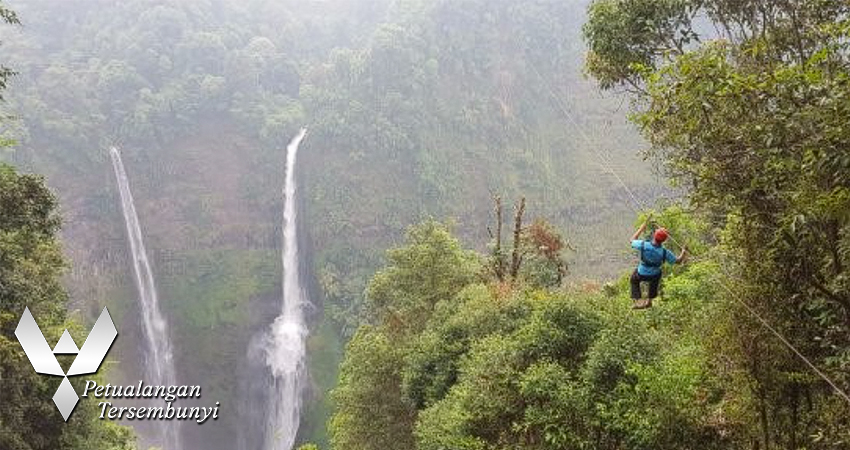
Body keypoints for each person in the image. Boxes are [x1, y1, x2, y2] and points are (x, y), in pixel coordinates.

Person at [629, 217, 687, 309]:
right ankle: (649, 301)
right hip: (654, 275)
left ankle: (638, 301)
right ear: (664, 240)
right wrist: (683, 253)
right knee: (656, 278)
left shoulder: (644, 245)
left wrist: (641, 229)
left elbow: (632, 240)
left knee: (633, 279)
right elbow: (678, 261)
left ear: (654, 236)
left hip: (642, 273)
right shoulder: (665, 252)